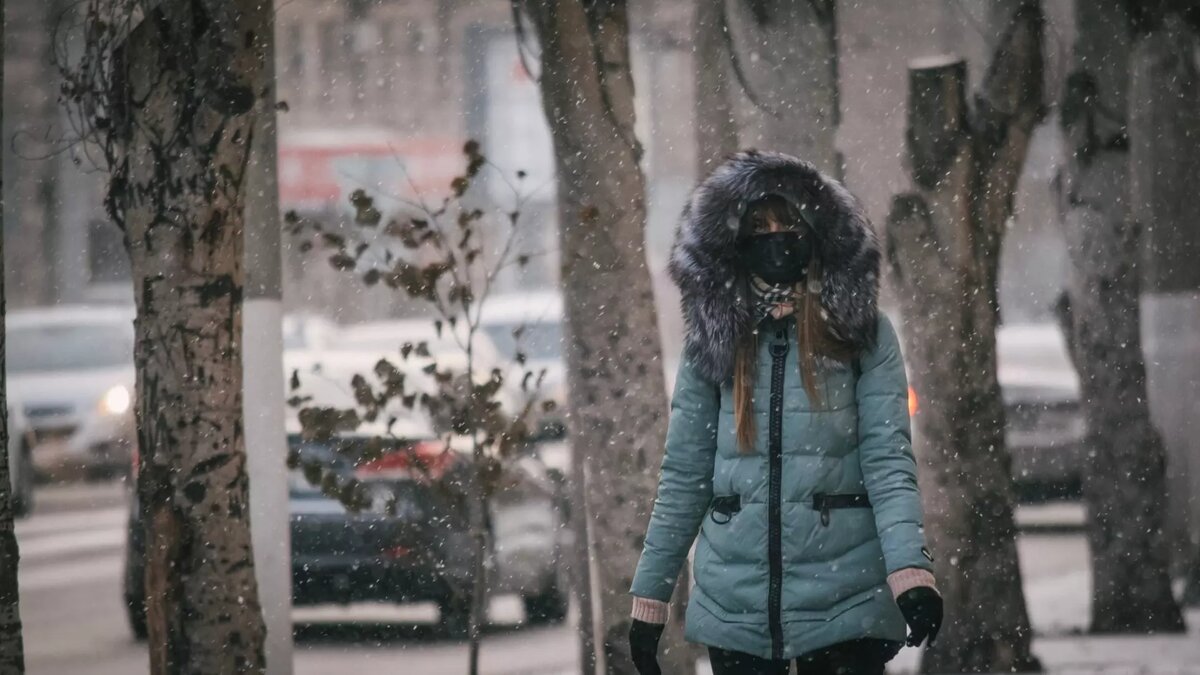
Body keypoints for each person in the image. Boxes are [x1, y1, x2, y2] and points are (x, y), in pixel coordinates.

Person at [627, 151, 943, 675]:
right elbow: (685, 476)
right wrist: (650, 598)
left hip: (847, 606)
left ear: (815, 232)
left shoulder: (861, 334)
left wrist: (910, 572)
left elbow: (888, 463)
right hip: (736, 611)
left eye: (788, 224)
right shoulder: (714, 341)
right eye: (759, 227)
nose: (775, 239)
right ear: (734, 243)